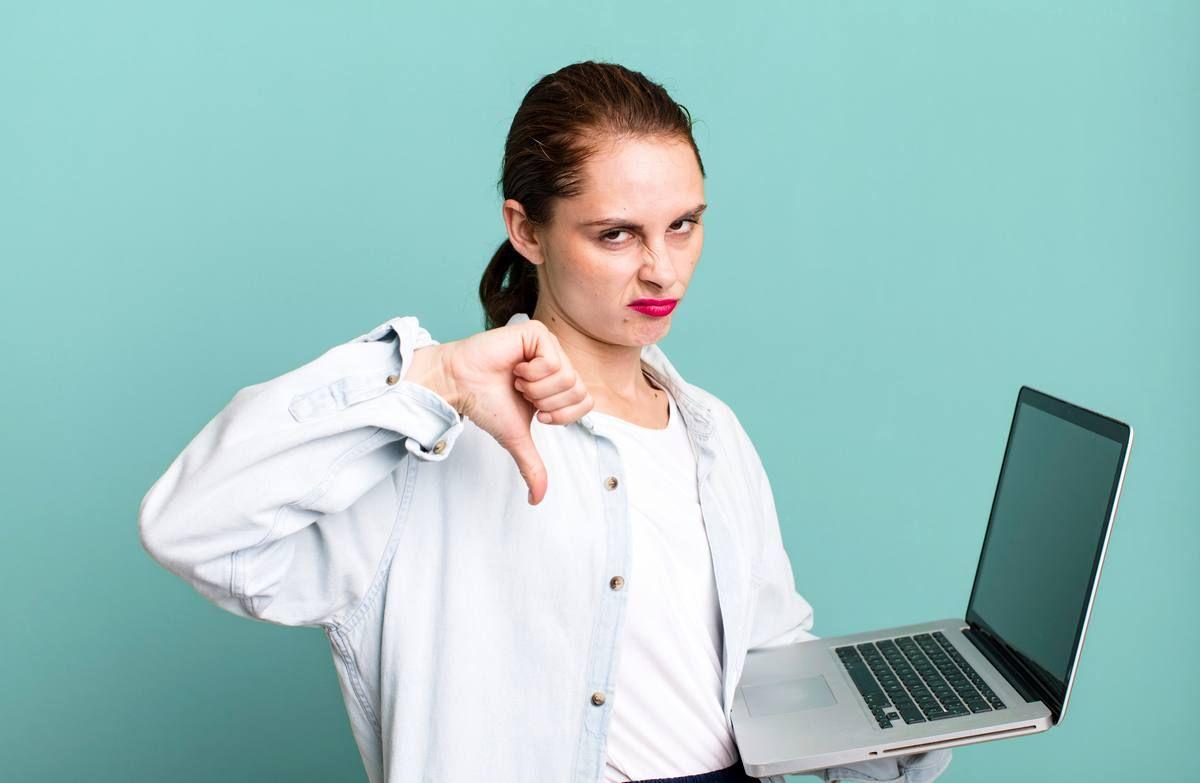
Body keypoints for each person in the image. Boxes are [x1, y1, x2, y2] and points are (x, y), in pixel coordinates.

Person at [138, 61, 951, 783]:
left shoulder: (714, 434)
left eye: (684, 224)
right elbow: (193, 528)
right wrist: (438, 375)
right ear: (527, 229)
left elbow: (766, 658)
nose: (661, 268)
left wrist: (898, 725)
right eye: (615, 234)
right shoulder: (423, 449)